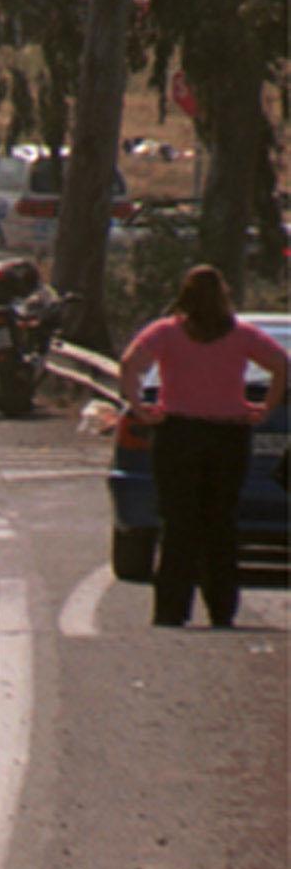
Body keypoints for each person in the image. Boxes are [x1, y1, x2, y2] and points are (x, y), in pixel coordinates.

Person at [118, 267, 289, 628]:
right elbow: (280, 365)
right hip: (227, 435)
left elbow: (130, 364)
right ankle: (221, 608)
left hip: (178, 433)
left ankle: (171, 609)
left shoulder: (167, 333)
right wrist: (266, 407)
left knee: (178, 523)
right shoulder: (242, 335)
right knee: (220, 523)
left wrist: (139, 407)